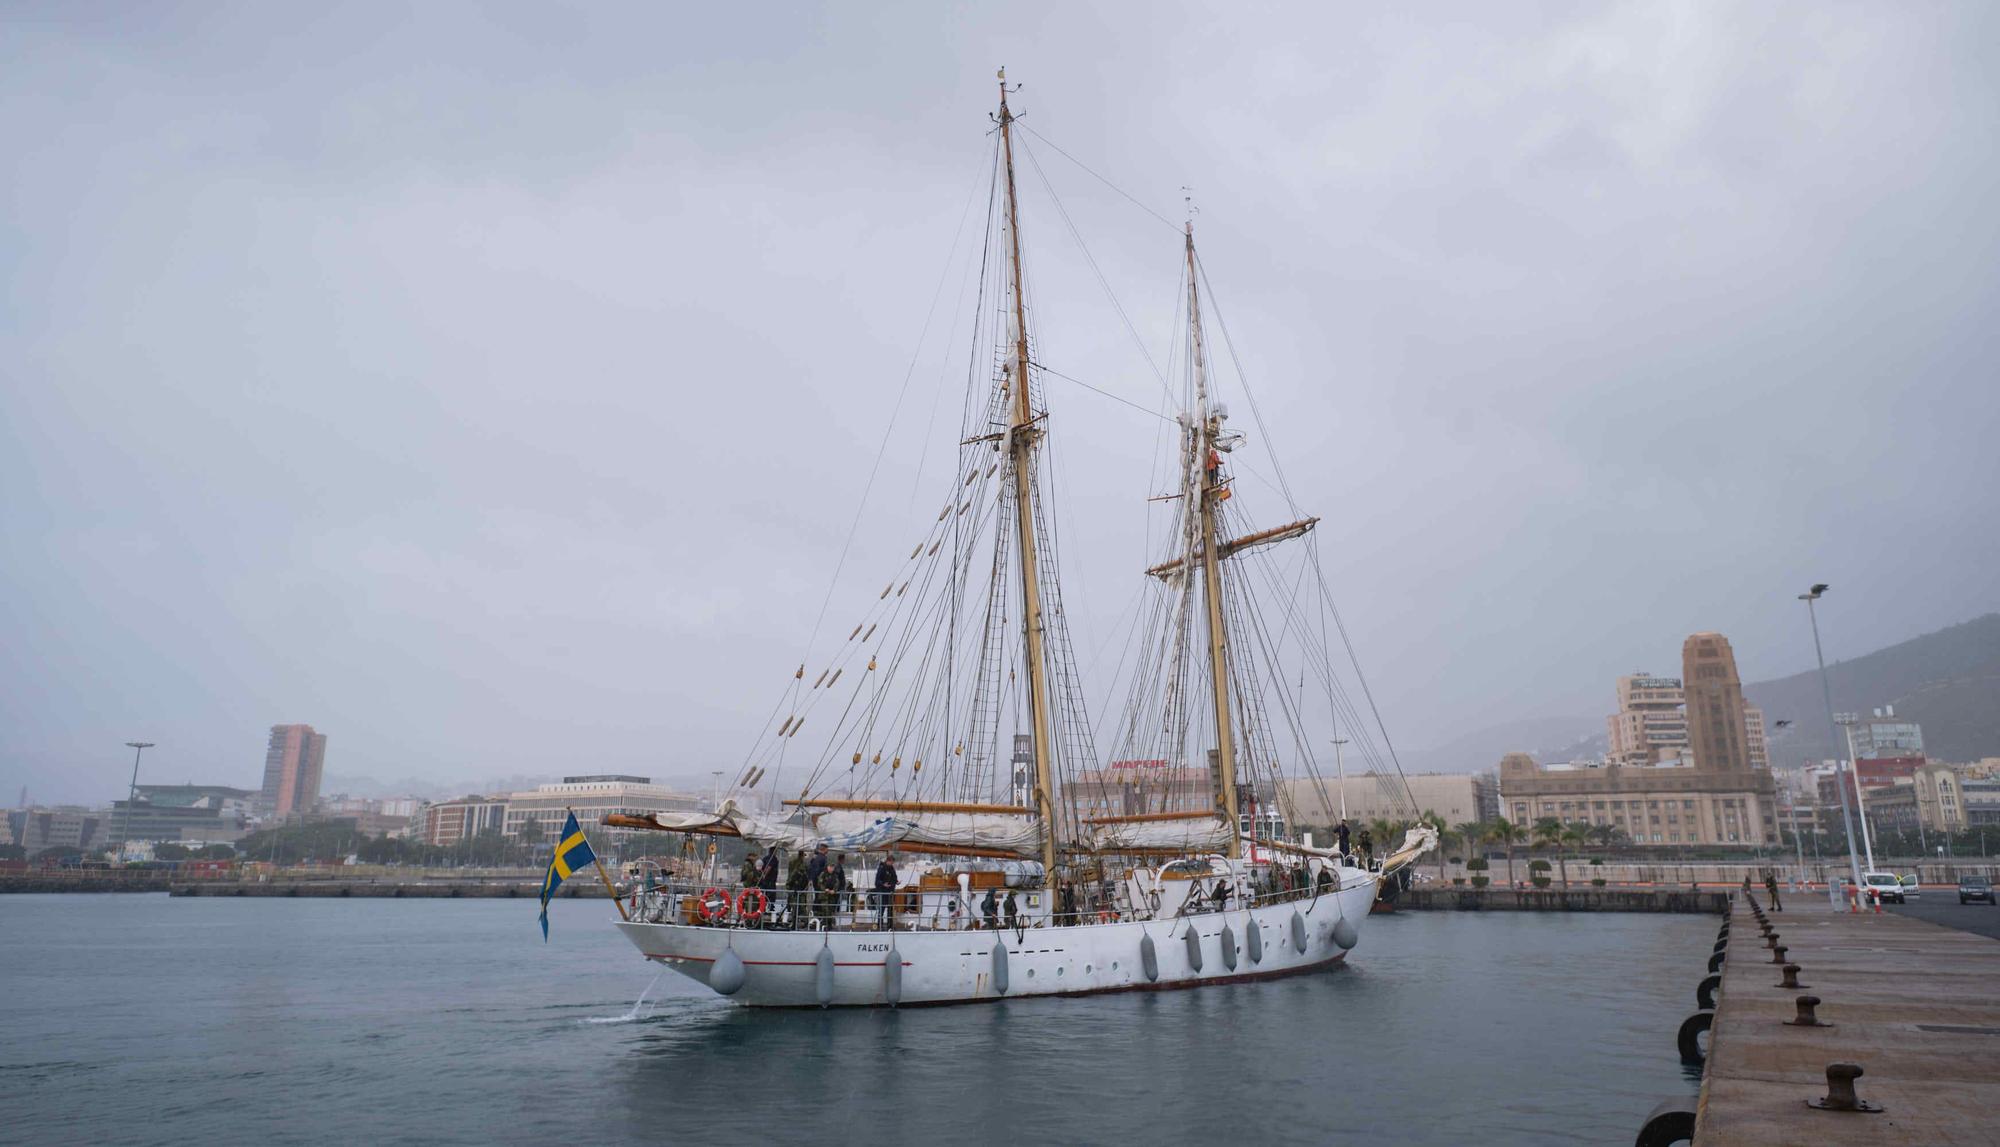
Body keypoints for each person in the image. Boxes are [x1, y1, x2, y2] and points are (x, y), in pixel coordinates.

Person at [803, 844, 828, 929]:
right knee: (819, 900)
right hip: (819, 883)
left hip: (815, 882)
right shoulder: (822, 858)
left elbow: (811, 868)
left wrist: (811, 879)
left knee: (816, 899)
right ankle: (819, 918)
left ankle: (816, 917)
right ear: (824, 849)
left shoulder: (816, 858)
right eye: (826, 850)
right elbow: (818, 870)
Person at [874, 853, 899, 929]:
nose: (892, 864)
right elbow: (877, 880)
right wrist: (883, 884)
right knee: (882, 908)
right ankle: (879, 924)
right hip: (883, 891)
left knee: (890, 909)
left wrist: (896, 882)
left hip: (890, 891)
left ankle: (890, 925)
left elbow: (894, 877)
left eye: (893, 863)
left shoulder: (891, 868)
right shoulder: (882, 868)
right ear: (888, 861)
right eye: (891, 862)